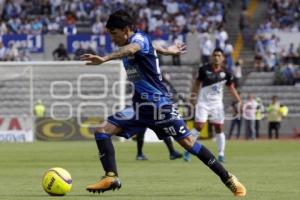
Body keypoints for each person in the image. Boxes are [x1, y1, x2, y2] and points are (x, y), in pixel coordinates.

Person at [81, 10, 246, 197]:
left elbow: (132, 49)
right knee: (102, 131)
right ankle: (111, 177)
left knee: (189, 144)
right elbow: (151, 46)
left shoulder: (136, 42)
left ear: (126, 30)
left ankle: (228, 178)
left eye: (114, 33)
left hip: (160, 106)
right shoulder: (141, 41)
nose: (112, 38)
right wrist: (168, 50)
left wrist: (104, 59)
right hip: (139, 108)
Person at [186, 48, 242, 163]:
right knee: (199, 126)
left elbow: (231, 88)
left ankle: (221, 154)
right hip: (203, 103)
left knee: (219, 128)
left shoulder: (227, 72)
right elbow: (196, 84)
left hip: (217, 105)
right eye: (215, 55)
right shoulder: (204, 69)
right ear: (212, 57)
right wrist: (192, 98)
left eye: (219, 55)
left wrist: (239, 100)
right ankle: (188, 149)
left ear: (222, 58)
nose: (216, 57)